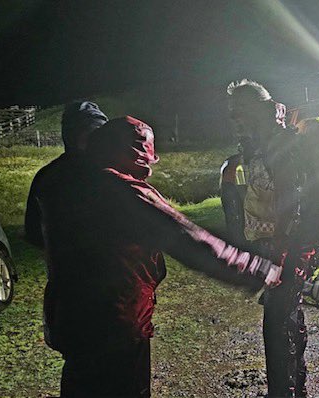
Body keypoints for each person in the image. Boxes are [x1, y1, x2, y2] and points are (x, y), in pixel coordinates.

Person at [32, 115, 282, 397]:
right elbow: (190, 239)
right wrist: (259, 269)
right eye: (145, 163)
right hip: (116, 324)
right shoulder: (122, 191)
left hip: (72, 322)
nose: (148, 172)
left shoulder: (60, 182)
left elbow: (35, 234)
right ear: (131, 155)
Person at [227, 79, 319, 397]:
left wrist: (283, 253)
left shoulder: (280, 145)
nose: (234, 119)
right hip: (285, 245)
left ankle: (283, 393)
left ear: (256, 110)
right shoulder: (260, 143)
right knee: (287, 315)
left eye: (238, 112)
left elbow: (292, 201)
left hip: (292, 246)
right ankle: (294, 389)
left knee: (277, 324)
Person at [25, 100, 108, 246]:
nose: (95, 140)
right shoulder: (49, 177)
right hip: (72, 262)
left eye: (100, 133)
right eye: (89, 133)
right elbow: (34, 231)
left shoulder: (114, 171)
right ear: (71, 136)